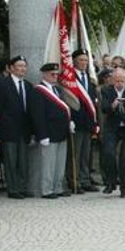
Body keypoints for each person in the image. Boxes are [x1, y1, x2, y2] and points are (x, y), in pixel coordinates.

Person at [28, 62, 72, 199]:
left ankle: (58, 187)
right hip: (49, 133)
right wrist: (42, 135)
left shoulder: (57, 90)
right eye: (52, 74)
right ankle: (47, 189)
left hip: (61, 132)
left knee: (59, 163)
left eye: (56, 74)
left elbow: (63, 109)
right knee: (48, 164)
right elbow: (37, 115)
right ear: (44, 74)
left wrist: (69, 122)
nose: (54, 76)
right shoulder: (38, 91)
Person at [0, 55, 32, 198]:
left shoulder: (28, 85)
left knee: (23, 160)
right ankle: (13, 189)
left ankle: (22, 187)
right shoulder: (3, 83)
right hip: (8, 130)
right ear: (11, 68)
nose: (22, 69)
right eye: (19, 66)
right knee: (10, 160)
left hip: (24, 130)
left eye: (24, 66)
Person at [101, 68, 125, 197]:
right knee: (108, 153)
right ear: (112, 80)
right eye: (117, 81)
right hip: (113, 127)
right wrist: (112, 106)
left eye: (122, 81)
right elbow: (104, 108)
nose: (119, 83)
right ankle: (111, 182)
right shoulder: (107, 90)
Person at [69, 49, 100, 192]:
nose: (84, 63)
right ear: (74, 60)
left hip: (88, 122)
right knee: (75, 154)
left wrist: (95, 122)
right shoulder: (70, 78)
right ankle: (75, 182)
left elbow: (93, 102)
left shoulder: (89, 77)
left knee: (86, 154)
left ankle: (85, 179)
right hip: (75, 121)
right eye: (81, 60)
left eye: (86, 60)